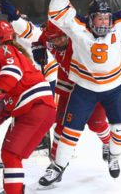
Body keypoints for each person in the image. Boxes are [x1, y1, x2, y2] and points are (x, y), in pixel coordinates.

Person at [38, 0, 121, 188]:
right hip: (84, 89)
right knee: (69, 132)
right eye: (99, 19)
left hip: (114, 89)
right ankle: (58, 167)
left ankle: (114, 156)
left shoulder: (119, 23)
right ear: (90, 19)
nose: (104, 23)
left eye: (106, 19)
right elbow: (55, 13)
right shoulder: (77, 26)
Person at [0, 20, 56, 194]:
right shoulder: (14, 51)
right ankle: (13, 190)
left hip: (35, 108)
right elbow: (17, 91)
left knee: (11, 155)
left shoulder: (4, 50)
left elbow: (12, 71)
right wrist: (1, 114)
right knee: (9, 154)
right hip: (36, 109)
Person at [0, 7, 58, 157]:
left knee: (45, 109)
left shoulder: (32, 33)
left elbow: (7, 43)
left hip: (46, 76)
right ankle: (33, 138)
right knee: (26, 107)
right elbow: (1, 35)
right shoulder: (14, 39)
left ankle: (50, 141)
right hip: (32, 77)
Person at [33, 20, 111, 162]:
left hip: (89, 88)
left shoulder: (81, 41)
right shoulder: (48, 36)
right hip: (66, 88)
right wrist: (38, 47)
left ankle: (108, 142)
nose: (58, 42)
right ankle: (56, 163)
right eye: (54, 39)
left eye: (61, 37)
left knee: (96, 125)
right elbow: (40, 40)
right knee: (61, 125)